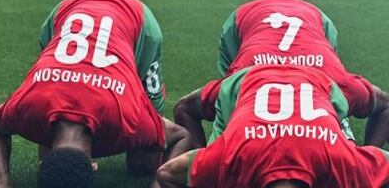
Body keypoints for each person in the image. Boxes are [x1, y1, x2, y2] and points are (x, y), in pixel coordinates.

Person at [0, 0, 192, 188]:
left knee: (143, 166)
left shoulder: (127, 118)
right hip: (65, 12)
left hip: (136, 20)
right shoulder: (31, 106)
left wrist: (158, 183)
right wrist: (1, 179)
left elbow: (181, 135)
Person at [174, 0, 389, 148]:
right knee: (229, 120)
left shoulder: (340, 86)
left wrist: (370, 165)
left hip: (315, 21)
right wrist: (201, 170)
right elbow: (186, 108)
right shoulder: (236, 85)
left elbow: (385, 106)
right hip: (245, 21)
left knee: (336, 125)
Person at [156, 65, 389, 188]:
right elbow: (166, 174)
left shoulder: (342, 161)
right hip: (249, 80)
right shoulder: (230, 157)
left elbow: (167, 174)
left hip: (315, 81)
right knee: (189, 109)